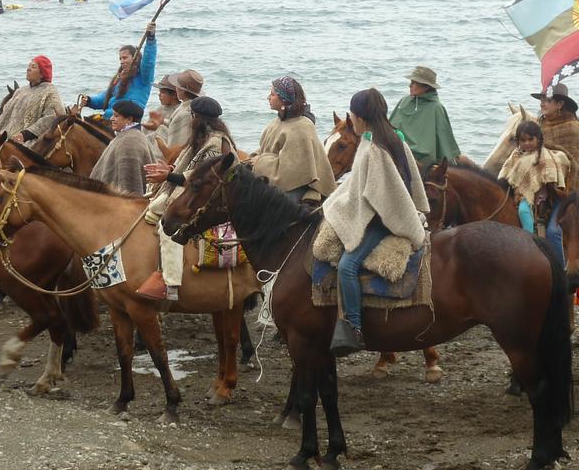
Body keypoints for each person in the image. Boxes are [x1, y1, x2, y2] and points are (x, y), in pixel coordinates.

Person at [325, 88, 429, 356]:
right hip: (387, 210)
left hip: (384, 219)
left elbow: (375, 198)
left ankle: (354, 328)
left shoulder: (373, 149)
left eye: (354, 116)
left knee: (347, 266)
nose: (353, 120)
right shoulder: (394, 138)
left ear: (361, 117)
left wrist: (341, 210)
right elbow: (363, 186)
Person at [138, 96, 236, 301]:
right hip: (196, 191)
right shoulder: (203, 138)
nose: (191, 120)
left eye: (192, 116)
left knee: (169, 227)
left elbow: (204, 180)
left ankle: (170, 284)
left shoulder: (215, 143)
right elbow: (191, 168)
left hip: (209, 199)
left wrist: (169, 176)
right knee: (151, 206)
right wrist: (170, 170)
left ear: (198, 118)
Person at [531, 82, 579, 263]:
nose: (542, 104)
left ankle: (561, 275)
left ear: (560, 104)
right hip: (541, 189)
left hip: (570, 193)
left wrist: (559, 189)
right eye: (542, 99)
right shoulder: (539, 126)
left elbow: (578, 166)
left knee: (554, 231)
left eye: (548, 100)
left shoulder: (573, 129)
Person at [249, 76, 336, 205]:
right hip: (275, 179)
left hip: (295, 186)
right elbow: (266, 149)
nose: (268, 97)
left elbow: (292, 170)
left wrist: (260, 162)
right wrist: (253, 158)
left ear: (283, 99)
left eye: (272, 94)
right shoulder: (278, 121)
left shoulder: (301, 127)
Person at [498, 121, 569, 234]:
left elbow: (548, 176)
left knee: (523, 211)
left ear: (538, 139)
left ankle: (529, 237)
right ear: (518, 141)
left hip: (536, 194)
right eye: (523, 140)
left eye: (530, 139)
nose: (527, 143)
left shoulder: (543, 156)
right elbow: (506, 171)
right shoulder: (516, 154)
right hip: (517, 191)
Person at [388, 66, 461, 169]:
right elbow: (391, 127)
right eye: (411, 82)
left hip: (422, 158)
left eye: (414, 83)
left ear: (426, 87)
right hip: (399, 150)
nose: (410, 86)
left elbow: (443, 142)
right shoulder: (404, 101)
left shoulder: (436, 108)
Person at [81, 22, 157, 118]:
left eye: (125, 58)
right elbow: (106, 97)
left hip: (128, 120)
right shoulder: (120, 77)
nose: (121, 61)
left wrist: (150, 38)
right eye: (120, 58)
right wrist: (89, 100)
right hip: (109, 118)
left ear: (136, 58)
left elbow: (149, 62)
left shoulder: (143, 77)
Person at [0, 56, 65, 148]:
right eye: (29, 66)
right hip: (5, 139)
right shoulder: (20, 91)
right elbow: (5, 113)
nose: (28, 69)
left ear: (42, 73)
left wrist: (25, 135)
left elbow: (52, 117)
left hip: (29, 143)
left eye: (33, 67)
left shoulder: (50, 91)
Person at [90, 99, 156, 196]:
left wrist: (128, 205)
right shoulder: (128, 136)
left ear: (129, 119)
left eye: (116, 116)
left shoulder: (130, 142)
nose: (111, 118)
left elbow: (130, 186)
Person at [162, 69, 204, 148]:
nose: (176, 89)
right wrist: (162, 121)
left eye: (177, 87)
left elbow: (174, 147)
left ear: (182, 91)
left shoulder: (184, 114)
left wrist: (159, 141)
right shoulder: (194, 107)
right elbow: (174, 123)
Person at [142, 74, 181, 147]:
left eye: (163, 92)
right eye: (159, 92)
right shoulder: (159, 110)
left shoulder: (179, 111)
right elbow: (146, 132)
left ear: (174, 95)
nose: (159, 95)